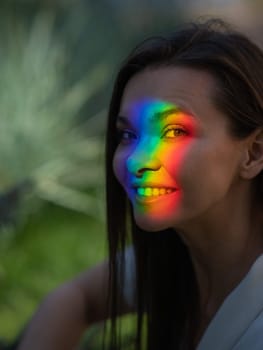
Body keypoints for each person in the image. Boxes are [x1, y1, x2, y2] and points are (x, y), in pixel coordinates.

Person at [18, 18, 263, 350]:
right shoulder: (177, 255)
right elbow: (74, 297)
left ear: (253, 153)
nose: (136, 160)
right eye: (128, 135)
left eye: (175, 133)